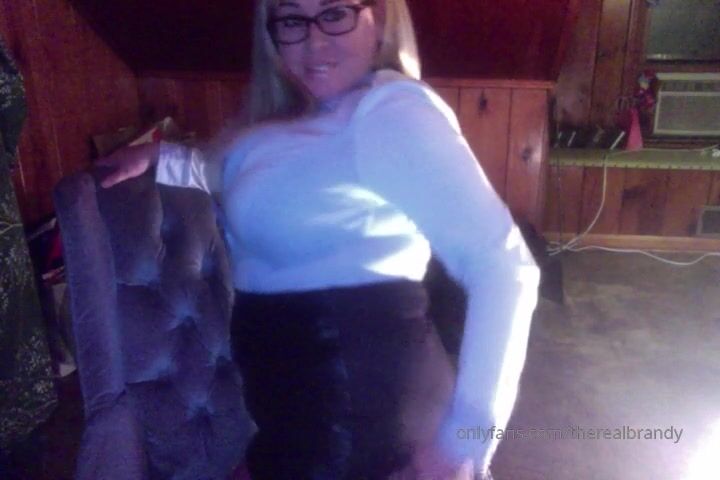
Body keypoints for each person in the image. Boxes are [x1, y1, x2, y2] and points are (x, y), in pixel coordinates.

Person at [99, 0, 540, 478]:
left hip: (356, 419)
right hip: (297, 412)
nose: (314, 40)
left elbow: (505, 268)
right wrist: (164, 158)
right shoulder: (301, 114)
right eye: (292, 19)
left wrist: (465, 442)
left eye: (334, 13)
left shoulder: (390, 111)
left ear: (379, 19)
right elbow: (253, 176)